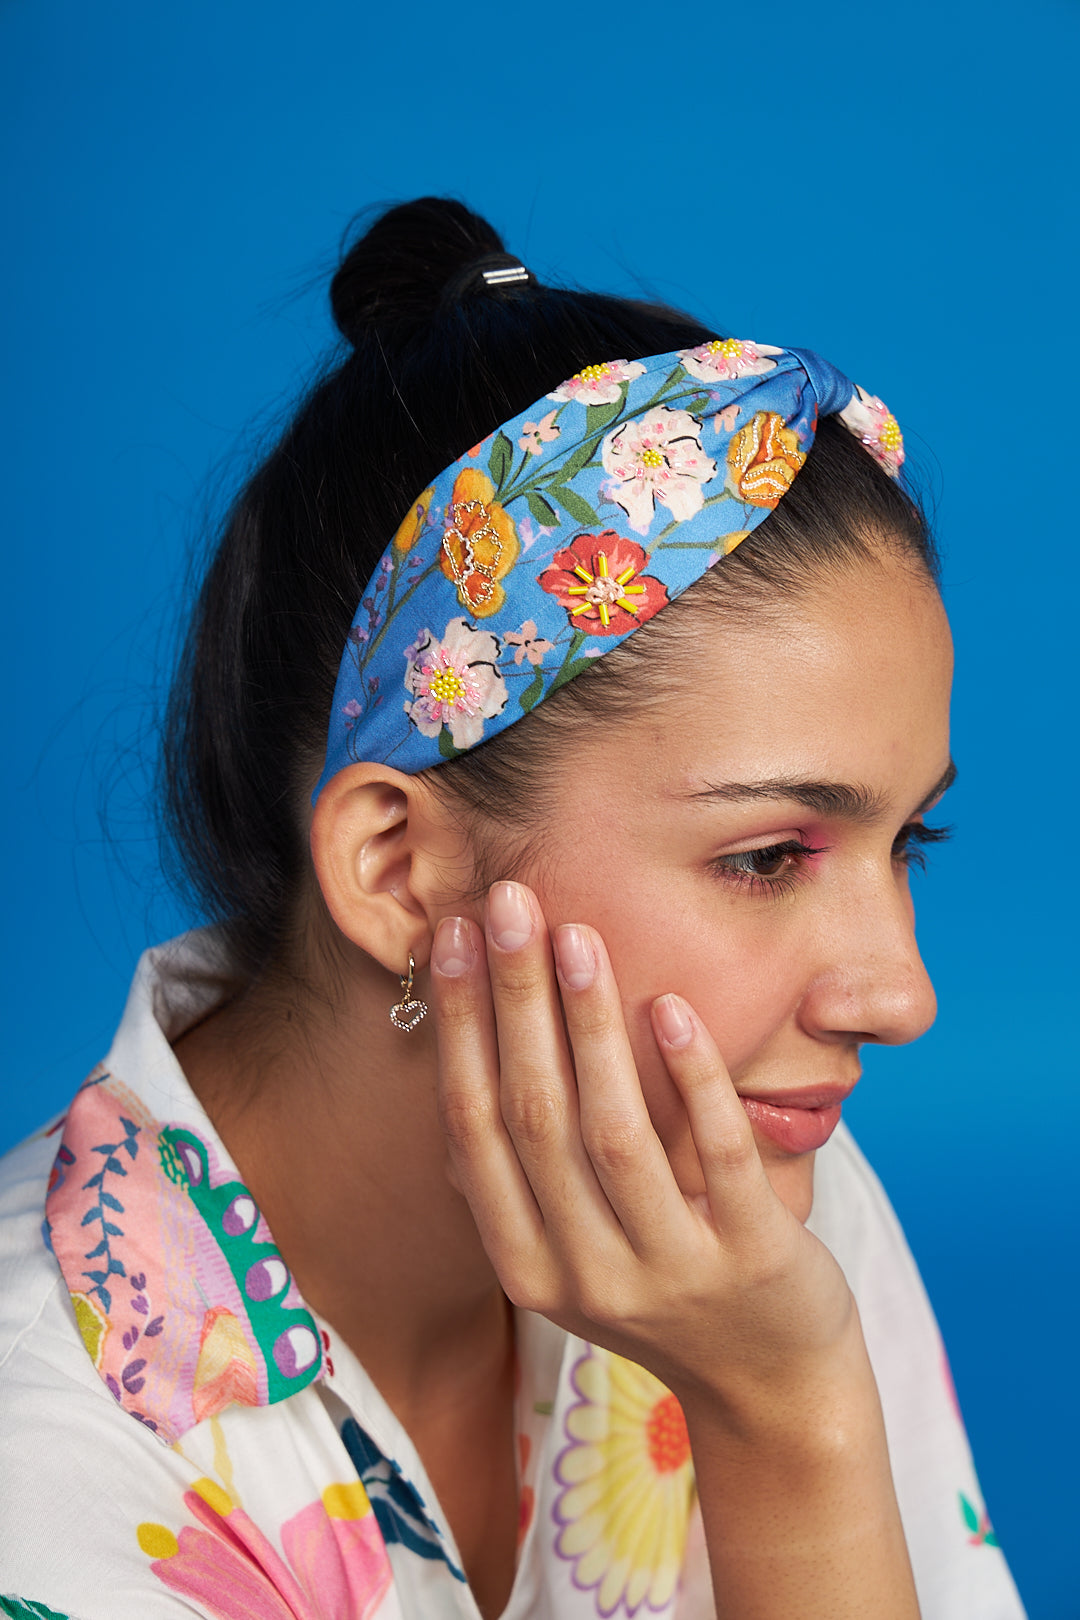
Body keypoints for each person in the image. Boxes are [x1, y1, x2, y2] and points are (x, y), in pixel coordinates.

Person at [0, 197, 1026, 1620]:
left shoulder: (741, 1218)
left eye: (909, 841)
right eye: (769, 856)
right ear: (397, 870)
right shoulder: (41, 1468)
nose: (899, 996)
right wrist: (793, 1423)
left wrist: (787, 1408)